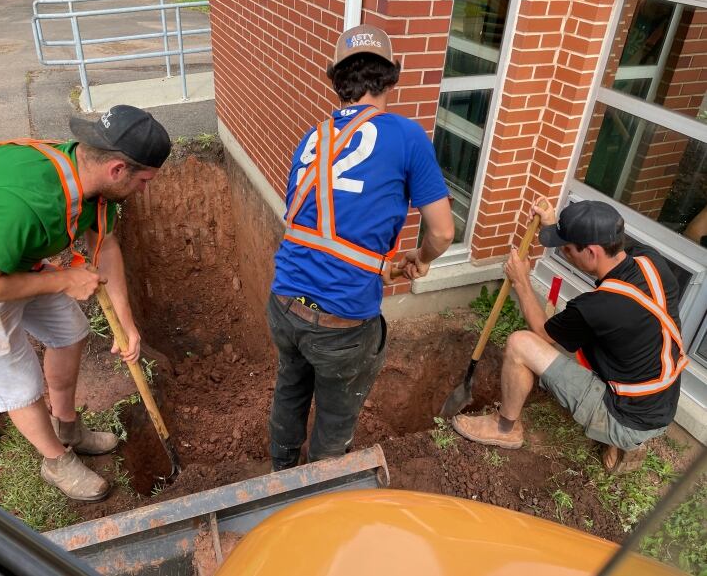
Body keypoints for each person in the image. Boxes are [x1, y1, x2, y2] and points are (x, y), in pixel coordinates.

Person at [0, 105, 171, 500]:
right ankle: (56, 461)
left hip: (12, 257)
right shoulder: (28, 202)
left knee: (70, 331)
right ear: (117, 170)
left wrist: (126, 322)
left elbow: (104, 243)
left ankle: (68, 426)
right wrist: (62, 279)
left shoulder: (89, 175)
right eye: (144, 180)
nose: (144, 189)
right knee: (18, 376)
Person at [267, 24, 455, 471]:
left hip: (283, 303)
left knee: (291, 386)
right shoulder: (407, 137)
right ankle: (319, 485)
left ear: (337, 82)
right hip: (342, 324)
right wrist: (421, 259)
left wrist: (376, 267)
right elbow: (444, 232)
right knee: (334, 416)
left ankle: (279, 473)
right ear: (392, 80)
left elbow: (320, 229)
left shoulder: (313, 138)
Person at [452, 198, 687, 474]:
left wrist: (521, 281)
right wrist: (554, 226)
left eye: (567, 248)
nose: (563, 252)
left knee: (520, 344)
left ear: (591, 252)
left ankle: (506, 427)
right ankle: (627, 438)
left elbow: (542, 332)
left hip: (625, 418)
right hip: (661, 402)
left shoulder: (598, 307)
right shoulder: (651, 261)